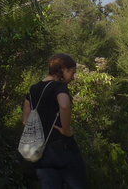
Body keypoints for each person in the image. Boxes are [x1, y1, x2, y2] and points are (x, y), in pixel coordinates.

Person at [22, 53, 87, 188]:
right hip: (62, 147)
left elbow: (25, 120)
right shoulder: (59, 87)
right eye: (72, 72)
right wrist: (66, 130)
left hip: (40, 151)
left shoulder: (33, 89)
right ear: (62, 69)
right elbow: (64, 105)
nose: (73, 77)